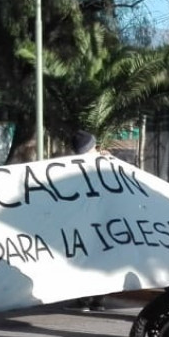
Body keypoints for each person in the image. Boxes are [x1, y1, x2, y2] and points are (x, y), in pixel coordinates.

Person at [69, 130, 106, 312]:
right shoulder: (107, 163)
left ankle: (86, 300)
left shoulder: (74, 167)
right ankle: (96, 300)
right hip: (103, 221)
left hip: (90, 221)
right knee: (99, 258)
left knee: (85, 259)